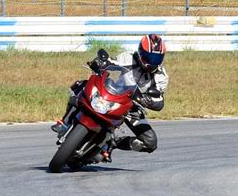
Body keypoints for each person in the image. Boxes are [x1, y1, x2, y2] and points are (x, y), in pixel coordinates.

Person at [51, 34, 169, 162]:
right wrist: (101, 63)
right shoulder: (128, 57)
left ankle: (113, 143)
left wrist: (150, 101)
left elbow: (159, 100)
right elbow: (111, 63)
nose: (152, 62)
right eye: (149, 57)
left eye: (157, 58)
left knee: (150, 142)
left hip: (132, 107)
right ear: (141, 52)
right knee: (81, 85)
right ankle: (65, 122)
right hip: (114, 93)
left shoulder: (161, 77)